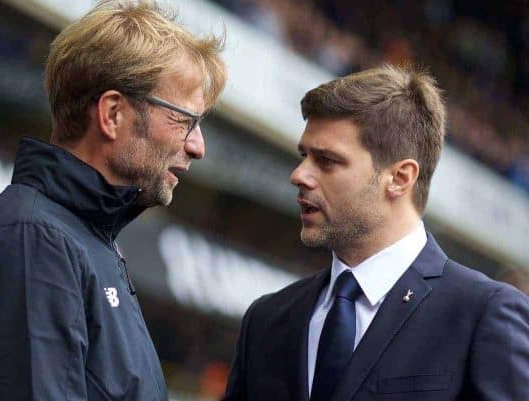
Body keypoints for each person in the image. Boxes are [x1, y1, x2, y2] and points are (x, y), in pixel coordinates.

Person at [0, 1, 226, 400]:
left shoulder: (87, 239)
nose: (198, 147)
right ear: (112, 114)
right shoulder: (34, 239)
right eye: (186, 121)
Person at [223, 65, 529, 401]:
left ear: (400, 178)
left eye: (326, 160)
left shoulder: (482, 314)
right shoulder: (266, 321)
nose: (299, 174)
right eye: (303, 156)